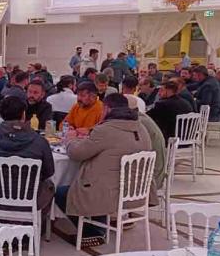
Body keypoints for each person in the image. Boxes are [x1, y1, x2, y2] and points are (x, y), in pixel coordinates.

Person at [55, 94, 152, 247]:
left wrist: (70, 140)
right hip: (136, 191)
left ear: (106, 109)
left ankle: (93, 231)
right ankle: (98, 223)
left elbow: (77, 154)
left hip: (111, 193)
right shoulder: (141, 128)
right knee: (100, 181)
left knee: (62, 192)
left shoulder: (106, 130)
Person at [0, 96, 55, 216]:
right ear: (23, 115)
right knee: (50, 185)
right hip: (33, 197)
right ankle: (41, 220)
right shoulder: (39, 142)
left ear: (1, 116)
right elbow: (49, 171)